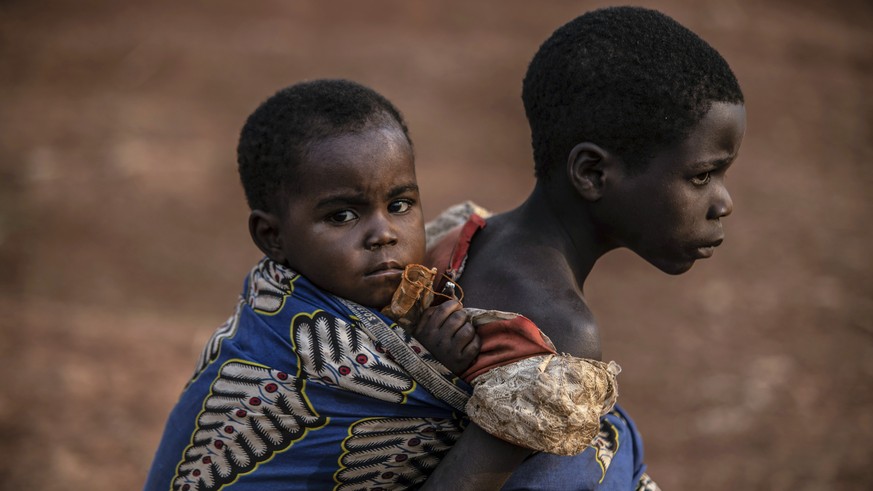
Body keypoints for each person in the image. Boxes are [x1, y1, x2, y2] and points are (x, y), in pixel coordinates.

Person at [418, 6, 746, 490]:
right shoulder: (560, 333)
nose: (724, 202)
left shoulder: (467, 231)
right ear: (592, 173)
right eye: (701, 175)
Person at [143, 79, 481, 491]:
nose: (384, 234)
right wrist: (441, 372)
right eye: (342, 216)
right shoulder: (275, 345)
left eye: (399, 205)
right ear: (272, 238)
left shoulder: (430, 288)